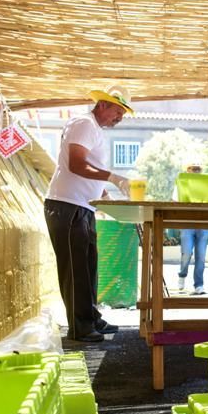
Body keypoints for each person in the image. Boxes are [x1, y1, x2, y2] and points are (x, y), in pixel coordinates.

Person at [44, 86, 133, 342]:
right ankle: (79, 327)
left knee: (88, 267)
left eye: (123, 113)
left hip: (82, 206)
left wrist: (105, 196)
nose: (120, 118)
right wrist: (114, 177)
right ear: (102, 105)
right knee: (76, 270)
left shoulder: (94, 130)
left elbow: (89, 169)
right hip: (66, 206)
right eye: (118, 111)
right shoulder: (83, 123)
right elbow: (76, 163)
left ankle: (90, 318)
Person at [177, 163, 208, 294]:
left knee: (201, 257)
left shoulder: (206, 187)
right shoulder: (181, 185)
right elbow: (174, 201)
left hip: (203, 224)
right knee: (186, 253)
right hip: (187, 224)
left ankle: (199, 284)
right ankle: (182, 275)